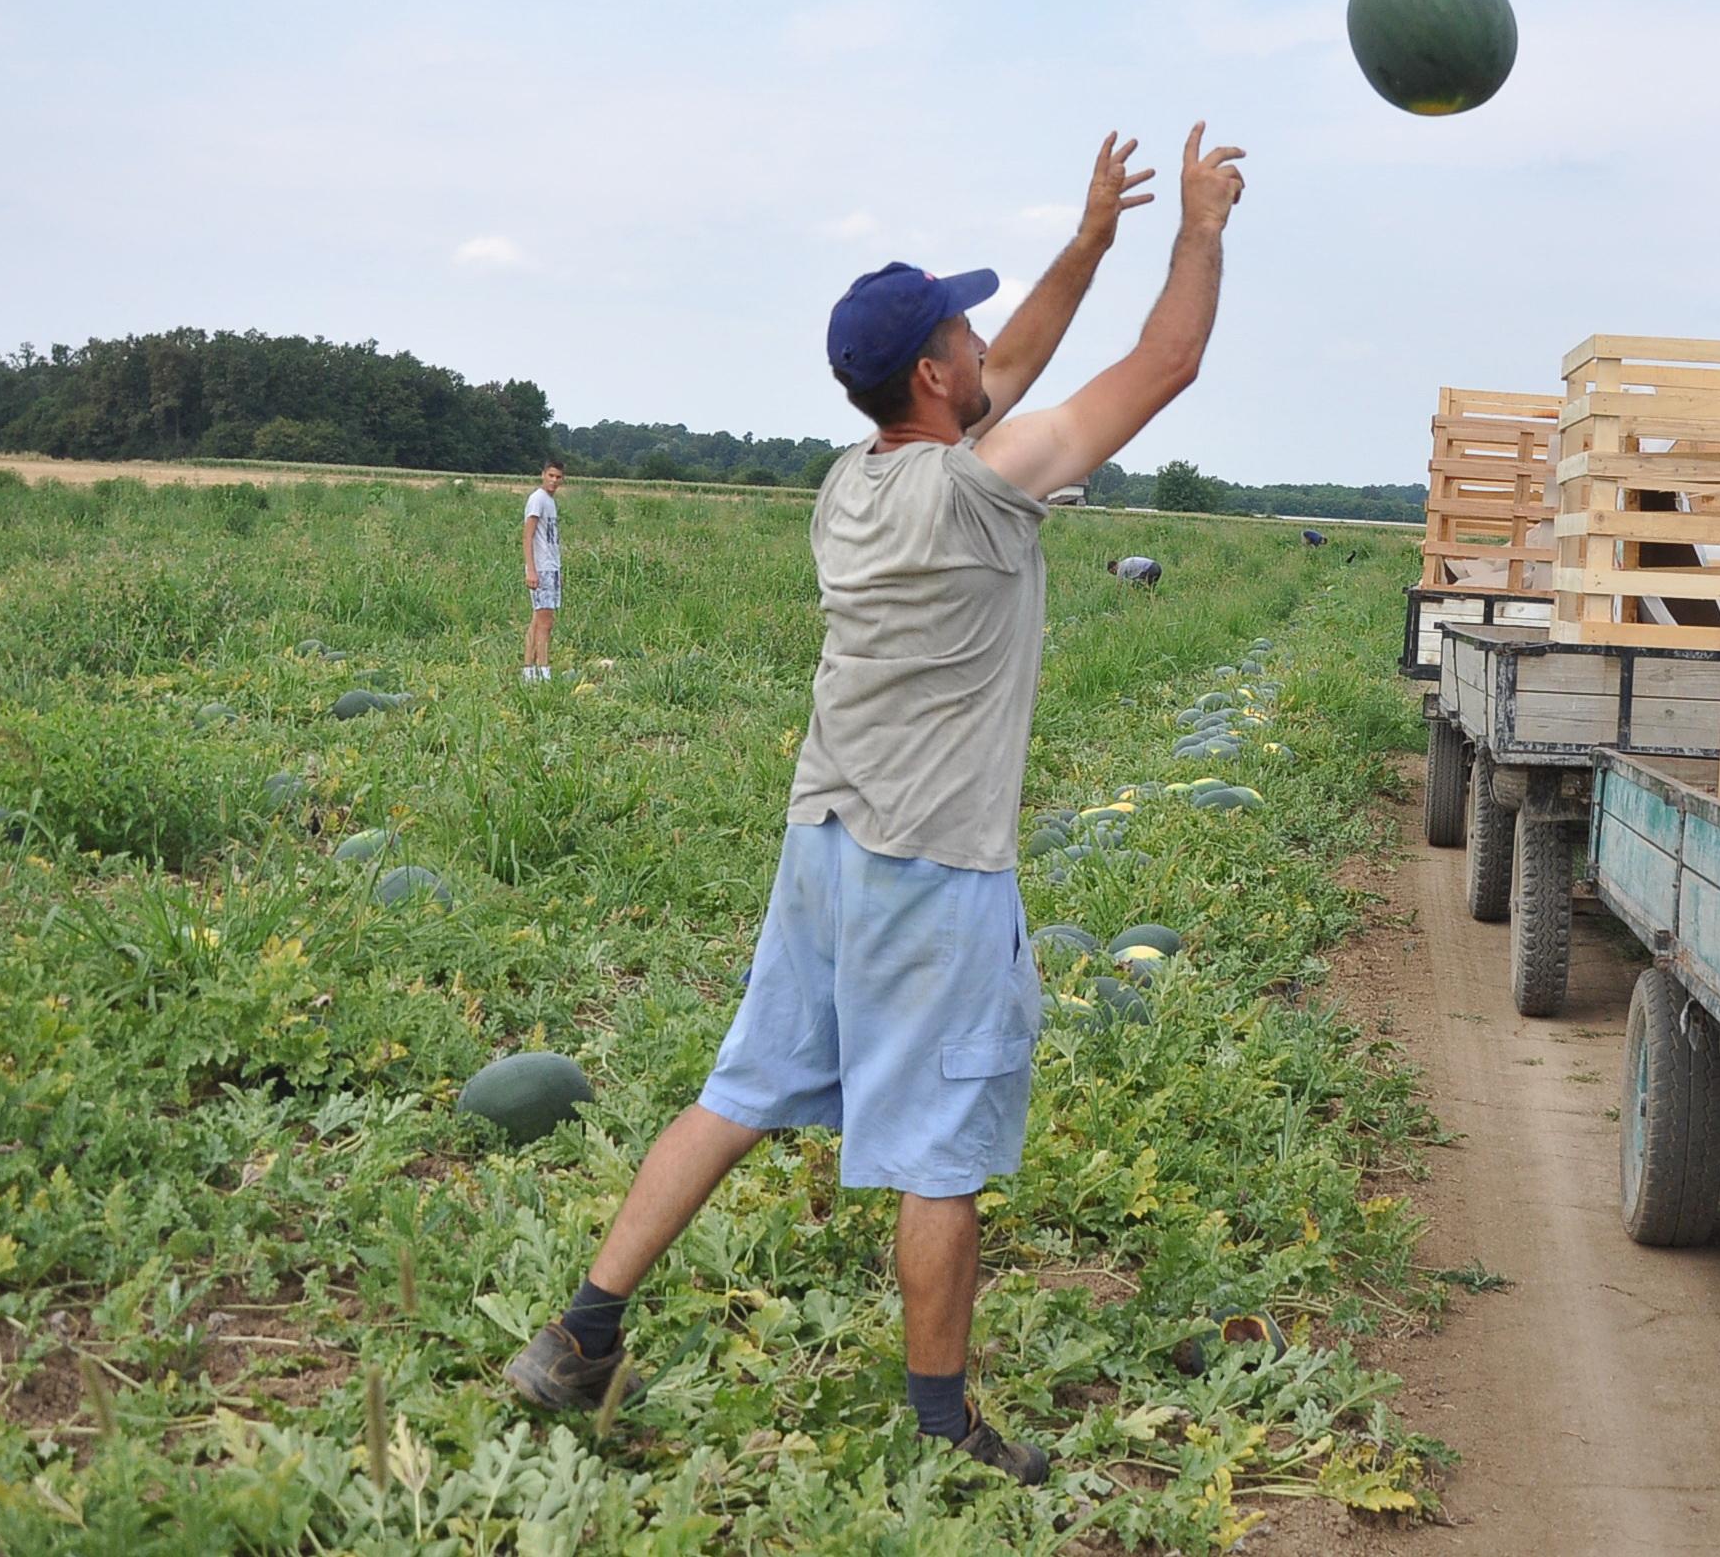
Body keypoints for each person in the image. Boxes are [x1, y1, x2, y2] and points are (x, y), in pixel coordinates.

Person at [506, 126, 1245, 1485]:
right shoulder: (980, 487)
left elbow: (1012, 371)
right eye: (964, 331)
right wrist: (1198, 229)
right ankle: (944, 1432)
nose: (983, 342)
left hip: (824, 846)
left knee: (739, 1092)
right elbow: (1164, 369)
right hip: (932, 869)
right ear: (932, 373)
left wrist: (1091, 238)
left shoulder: (852, 485)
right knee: (941, 1151)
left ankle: (577, 1336)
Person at [520, 460, 564, 683]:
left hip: (551, 566)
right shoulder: (537, 499)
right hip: (541, 567)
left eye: (558, 477)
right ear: (543, 475)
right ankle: (543, 671)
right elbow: (527, 536)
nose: (554, 481)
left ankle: (528, 672)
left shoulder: (550, 501)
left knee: (538, 620)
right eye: (551, 476)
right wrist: (532, 570)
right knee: (546, 622)